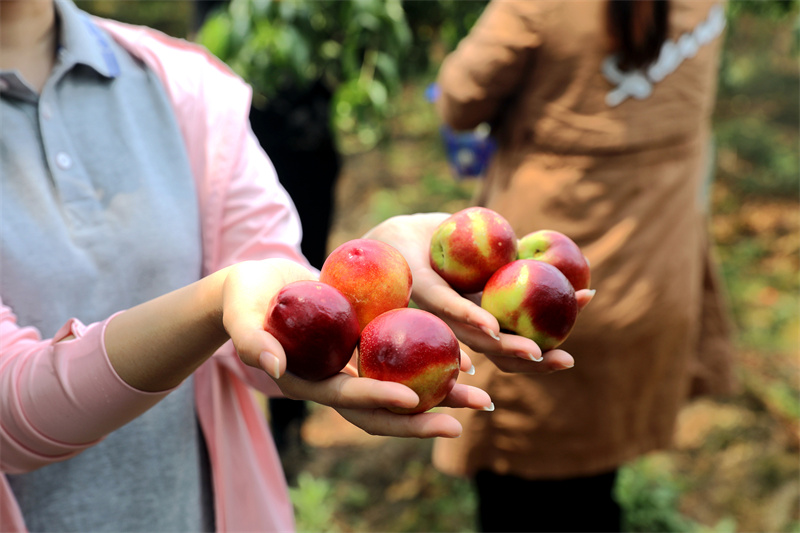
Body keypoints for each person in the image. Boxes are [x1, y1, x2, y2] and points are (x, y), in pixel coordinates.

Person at [0, 0, 561, 530]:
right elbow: (13, 416)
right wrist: (215, 303)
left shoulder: (184, 84)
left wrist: (356, 285)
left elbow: (263, 333)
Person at [427, 1, 737, 532]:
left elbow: (458, 99)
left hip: (539, 297)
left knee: (520, 495)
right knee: (594, 487)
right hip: (651, 278)